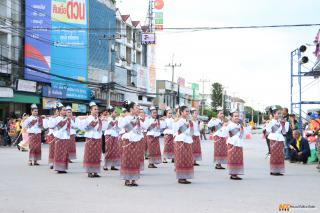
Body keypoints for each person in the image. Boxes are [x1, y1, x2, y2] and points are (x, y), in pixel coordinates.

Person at [77, 102, 107, 178]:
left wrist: (104, 121)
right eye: (95, 109)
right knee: (90, 154)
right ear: (91, 110)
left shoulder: (99, 119)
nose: (97, 110)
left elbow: (104, 128)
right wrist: (84, 120)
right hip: (90, 138)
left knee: (97, 155)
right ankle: (90, 171)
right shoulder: (88, 118)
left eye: (97, 109)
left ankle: (95, 171)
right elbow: (81, 127)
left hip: (98, 138)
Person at [119, 101, 143, 187]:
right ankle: (127, 179)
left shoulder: (137, 118)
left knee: (135, 160)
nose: (138, 109)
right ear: (131, 109)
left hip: (136, 140)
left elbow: (139, 129)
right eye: (136, 107)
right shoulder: (126, 118)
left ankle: (133, 179)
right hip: (128, 140)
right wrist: (124, 118)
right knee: (127, 159)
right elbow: (120, 125)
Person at [173, 105, 194, 184]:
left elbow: (191, 133)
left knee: (187, 158)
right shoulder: (178, 121)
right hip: (180, 141)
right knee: (181, 158)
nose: (188, 113)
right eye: (186, 111)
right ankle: (181, 177)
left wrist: (189, 123)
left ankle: (185, 176)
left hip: (188, 141)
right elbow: (174, 131)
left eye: (189, 111)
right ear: (181, 112)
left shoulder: (190, 121)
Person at [49, 103, 71, 174]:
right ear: (60, 111)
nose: (65, 111)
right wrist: (52, 118)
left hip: (66, 137)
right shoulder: (56, 119)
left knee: (65, 153)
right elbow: (50, 126)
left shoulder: (67, 119)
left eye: (65, 110)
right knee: (59, 152)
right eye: (64, 110)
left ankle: (63, 168)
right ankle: (58, 168)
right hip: (59, 137)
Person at [226, 109, 245, 180]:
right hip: (232, 143)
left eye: (238, 116)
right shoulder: (229, 125)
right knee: (233, 158)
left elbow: (243, 134)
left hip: (239, 143)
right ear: (231, 117)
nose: (237, 117)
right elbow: (225, 133)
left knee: (238, 159)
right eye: (235, 116)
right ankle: (233, 174)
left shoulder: (240, 125)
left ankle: (236, 173)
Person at [266, 106, 286, 176]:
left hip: (280, 138)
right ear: (274, 114)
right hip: (274, 138)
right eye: (278, 113)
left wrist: (283, 125)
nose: (279, 115)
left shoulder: (280, 122)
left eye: (280, 113)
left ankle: (278, 170)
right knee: (274, 154)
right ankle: (273, 170)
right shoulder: (271, 122)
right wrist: (273, 130)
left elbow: (284, 132)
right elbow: (268, 130)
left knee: (280, 155)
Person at [103, 106, 121, 171]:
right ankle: (105, 165)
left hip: (115, 135)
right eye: (115, 112)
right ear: (111, 113)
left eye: (116, 112)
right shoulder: (107, 119)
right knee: (108, 150)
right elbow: (105, 127)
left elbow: (118, 128)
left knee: (115, 150)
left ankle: (113, 165)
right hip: (109, 135)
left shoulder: (116, 120)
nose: (116, 113)